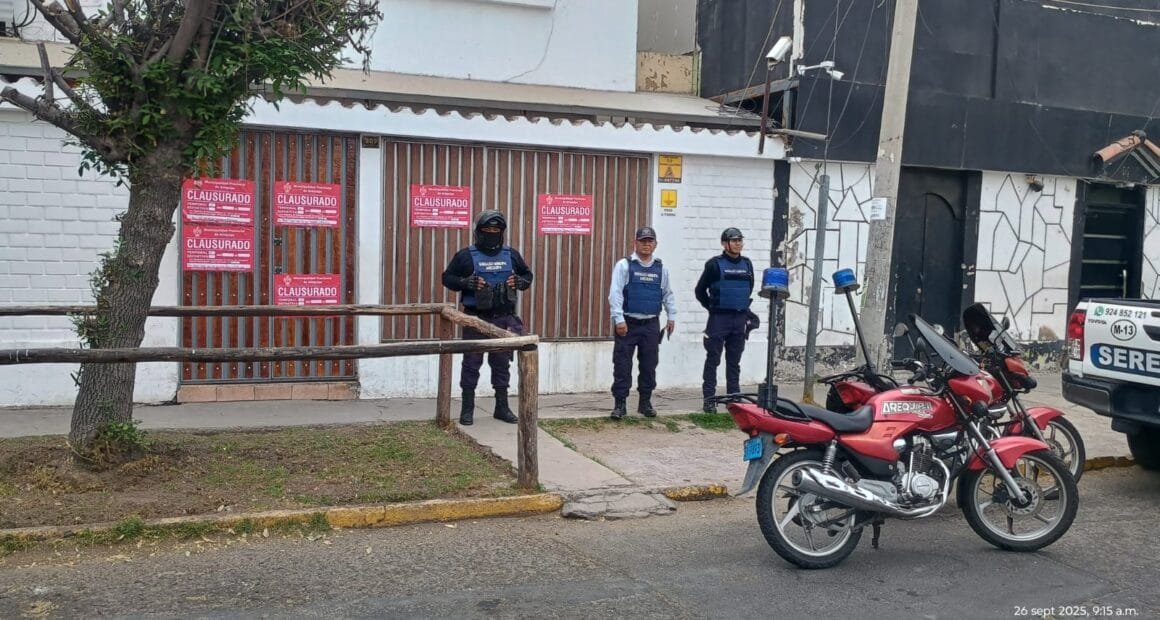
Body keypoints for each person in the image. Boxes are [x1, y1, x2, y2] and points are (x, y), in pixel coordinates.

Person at [442, 210, 533, 426]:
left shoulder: (511, 255)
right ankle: (467, 409)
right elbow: (447, 278)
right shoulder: (465, 255)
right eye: (487, 230)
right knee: (471, 364)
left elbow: (528, 276)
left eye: (496, 230)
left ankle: (502, 408)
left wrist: (520, 282)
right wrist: (466, 283)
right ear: (478, 232)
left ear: (501, 232)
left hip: (504, 319)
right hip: (475, 319)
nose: (492, 233)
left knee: (501, 364)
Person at [607, 226, 677, 420]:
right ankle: (620, 404)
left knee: (649, 365)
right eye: (643, 241)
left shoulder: (661, 268)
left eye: (650, 241)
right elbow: (615, 294)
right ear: (635, 243)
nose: (646, 244)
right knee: (622, 365)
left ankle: (645, 402)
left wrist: (671, 316)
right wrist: (619, 319)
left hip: (651, 324)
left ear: (655, 244)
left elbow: (667, 294)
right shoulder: (624, 265)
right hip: (628, 323)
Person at [695, 227, 755, 413]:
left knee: (734, 361)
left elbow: (749, 288)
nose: (738, 243)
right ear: (724, 243)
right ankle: (709, 400)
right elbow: (699, 290)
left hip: (739, 318)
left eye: (740, 240)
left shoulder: (747, 264)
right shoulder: (714, 264)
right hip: (719, 319)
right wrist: (712, 307)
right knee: (713, 359)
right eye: (734, 240)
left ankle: (734, 399)